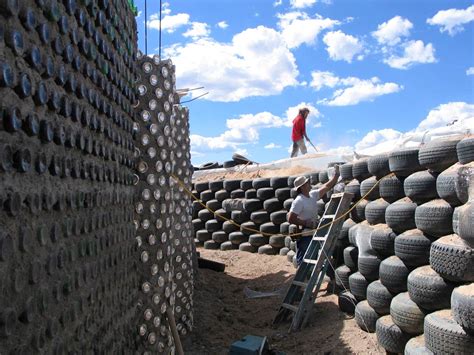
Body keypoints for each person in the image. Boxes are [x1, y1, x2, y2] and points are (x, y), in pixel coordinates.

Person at [288, 165, 340, 266]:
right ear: (302, 187)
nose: (309, 183)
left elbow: (326, 187)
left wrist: (336, 176)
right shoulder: (299, 201)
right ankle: (301, 279)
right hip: (305, 234)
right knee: (303, 260)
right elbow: (291, 218)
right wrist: (306, 223)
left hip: (313, 232)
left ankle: (307, 279)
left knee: (312, 259)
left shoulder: (312, 195)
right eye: (307, 183)